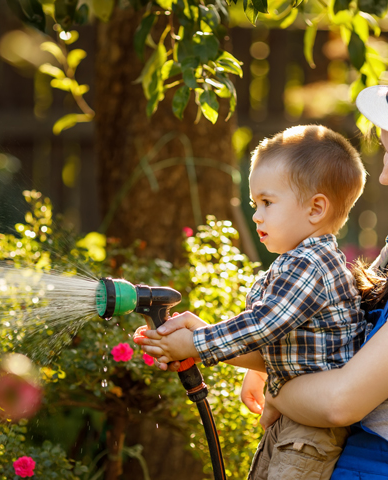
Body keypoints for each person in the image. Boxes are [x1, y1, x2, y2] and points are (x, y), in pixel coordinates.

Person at [139, 48, 388, 480]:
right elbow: (337, 351)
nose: (384, 176)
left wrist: (276, 389)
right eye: (387, 154)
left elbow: (339, 400)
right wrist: (204, 333)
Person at [137, 124, 369, 480]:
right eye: (254, 204)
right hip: (293, 417)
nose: (257, 215)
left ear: (315, 208)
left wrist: (194, 343)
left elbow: (262, 324)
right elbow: (286, 332)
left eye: (267, 203)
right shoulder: (299, 260)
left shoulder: (309, 265)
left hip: (311, 432)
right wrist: (257, 369)